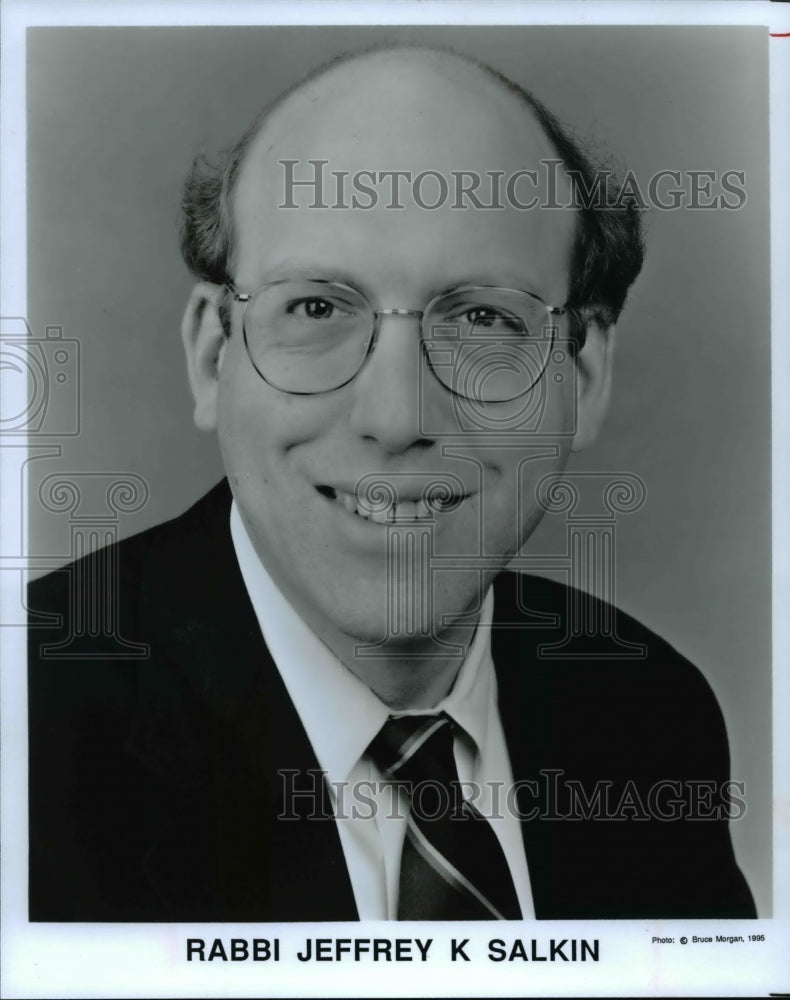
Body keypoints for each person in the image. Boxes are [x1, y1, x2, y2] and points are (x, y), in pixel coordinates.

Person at [27, 45, 755, 921]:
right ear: (213, 354)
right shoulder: (26, 731)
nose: (396, 414)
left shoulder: (647, 715)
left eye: (483, 317)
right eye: (318, 308)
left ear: (584, 372)